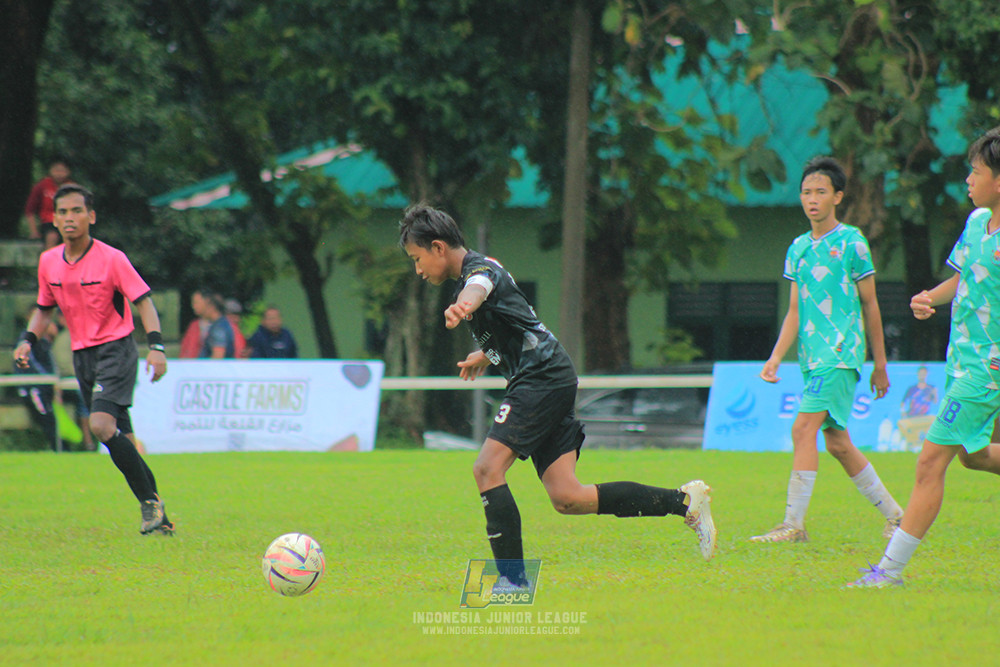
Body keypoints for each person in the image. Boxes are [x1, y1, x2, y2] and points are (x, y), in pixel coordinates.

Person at [399, 204, 717, 587]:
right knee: (568, 497)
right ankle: (684, 503)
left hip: (541, 378)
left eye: (416, 259)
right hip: (549, 375)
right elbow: (519, 320)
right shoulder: (479, 269)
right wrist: (487, 353)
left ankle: (512, 582)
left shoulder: (478, 273)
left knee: (486, 469)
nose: (418, 270)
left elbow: (479, 288)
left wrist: (465, 304)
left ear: (437, 247)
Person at [849, 128, 1000, 587]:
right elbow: (964, 277)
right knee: (974, 456)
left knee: (930, 462)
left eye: (976, 172)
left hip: (987, 369)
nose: (968, 180)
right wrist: (930, 297)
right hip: (961, 362)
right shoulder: (977, 222)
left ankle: (888, 572)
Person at [751, 156, 903, 543]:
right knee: (837, 443)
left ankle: (792, 525)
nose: (812, 199)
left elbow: (870, 304)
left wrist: (880, 363)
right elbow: (795, 310)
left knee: (803, 428)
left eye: (820, 192)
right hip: (812, 358)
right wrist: (775, 357)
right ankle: (897, 516)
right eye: (806, 192)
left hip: (840, 353)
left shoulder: (852, 242)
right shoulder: (798, 248)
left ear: (838, 196)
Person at [13, 184, 174, 536]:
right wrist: (27, 340)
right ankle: (158, 514)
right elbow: (44, 309)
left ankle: (149, 504)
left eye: (77, 211)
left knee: (100, 426)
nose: (70, 218)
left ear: (91, 216)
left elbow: (144, 302)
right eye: (63, 212)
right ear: (55, 220)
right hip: (83, 357)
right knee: (124, 439)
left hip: (116, 350)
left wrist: (157, 347)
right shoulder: (48, 261)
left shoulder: (112, 258)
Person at [14, 317, 60, 452]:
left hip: (46, 387)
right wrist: (49, 379)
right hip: (34, 387)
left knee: (50, 416)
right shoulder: (27, 343)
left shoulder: (46, 343)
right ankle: (57, 448)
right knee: (46, 417)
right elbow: (31, 366)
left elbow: (51, 366)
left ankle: (59, 447)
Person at [24, 157, 74, 250]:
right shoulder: (42, 186)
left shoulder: (72, 188)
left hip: (68, 221)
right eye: (56, 170)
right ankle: (49, 257)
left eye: (62, 171)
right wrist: (34, 232)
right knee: (52, 236)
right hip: (49, 223)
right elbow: (30, 210)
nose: (59, 174)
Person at [897, 365, 938, 450]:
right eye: (920, 373)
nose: (922, 375)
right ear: (918, 374)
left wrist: (934, 392)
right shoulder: (912, 389)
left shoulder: (930, 388)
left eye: (924, 373)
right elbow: (903, 402)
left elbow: (935, 401)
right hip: (912, 416)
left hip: (924, 417)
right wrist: (903, 412)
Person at [198, 291, 236, 359]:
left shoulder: (219, 328)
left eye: (205, 306)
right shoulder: (219, 325)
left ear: (211, 306)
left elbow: (218, 357)